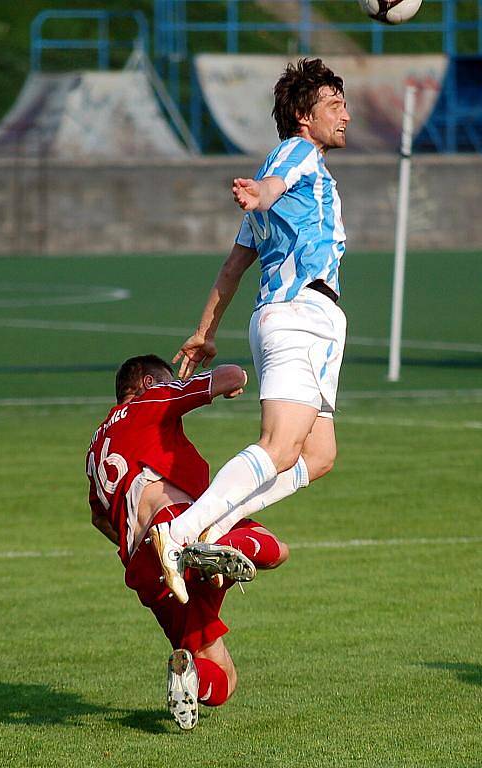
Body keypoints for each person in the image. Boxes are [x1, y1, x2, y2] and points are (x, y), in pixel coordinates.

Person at [150, 58, 350, 601]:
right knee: (279, 445)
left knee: (319, 454)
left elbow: (234, 265)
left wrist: (205, 331)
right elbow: (271, 182)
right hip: (297, 315)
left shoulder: (304, 184)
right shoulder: (298, 152)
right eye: (335, 104)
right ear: (304, 117)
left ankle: (215, 525)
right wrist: (259, 192)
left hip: (316, 322)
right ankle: (184, 529)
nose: (346, 115)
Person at [86, 354, 289, 730]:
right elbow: (227, 376)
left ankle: (189, 673)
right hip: (178, 527)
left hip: (146, 570)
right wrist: (239, 378)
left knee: (223, 678)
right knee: (274, 549)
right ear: (148, 384)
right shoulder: (152, 400)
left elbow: (99, 517)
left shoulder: (95, 448)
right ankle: (211, 549)